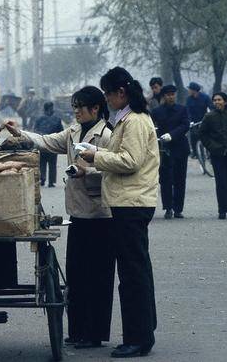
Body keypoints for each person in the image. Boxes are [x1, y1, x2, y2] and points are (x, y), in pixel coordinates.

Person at [5, 86, 114, 349]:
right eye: (74, 107)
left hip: (101, 216)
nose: (75, 111)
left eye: (80, 107)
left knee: (97, 277)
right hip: (78, 214)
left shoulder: (108, 135)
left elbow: (115, 169)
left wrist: (86, 171)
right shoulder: (73, 132)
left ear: (96, 108)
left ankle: (94, 333)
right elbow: (47, 141)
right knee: (76, 276)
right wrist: (20, 133)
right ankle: (77, 331)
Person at [79, 67, 159, 358]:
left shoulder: (135, 121)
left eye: (109, 94)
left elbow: (130, 160)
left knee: (132, 274)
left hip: (131, 203)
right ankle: (144, 330)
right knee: (138, 269)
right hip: (129, 202)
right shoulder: (128, 119)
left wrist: (95, 156)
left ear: (120, 93)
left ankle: (137, 338)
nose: (107, 100)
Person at [198, 92, 227, 219]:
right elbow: (202, 134)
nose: (217, 102)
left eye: (219, 100)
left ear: (225, 101)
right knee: (221, 182)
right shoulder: (209, 116)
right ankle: (222, 209)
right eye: (214, 100)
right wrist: (211, 146)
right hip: (217, 153)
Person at [151, 85, 190, 219]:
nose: (170, 97)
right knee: (166, 180)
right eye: (168, 95)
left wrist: (172, 135)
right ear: (163, 96)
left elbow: (185, 125)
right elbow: (151, 126)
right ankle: (168, 208)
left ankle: (178, 208)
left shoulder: (182, 109)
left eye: (172, 94)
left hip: (180, 148)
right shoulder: (157, 111)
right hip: (164, 149)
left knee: (180, 179)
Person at [33, 102, 64, 187]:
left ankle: (42, 179)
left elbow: (35, 131)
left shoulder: (39, 119)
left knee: (42, 163)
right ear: (51, 108)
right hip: (53, 144)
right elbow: (61, 132)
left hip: (42, 143)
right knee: (52, 164)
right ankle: (51, 182)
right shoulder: (57, 119)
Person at [186, 82, 213, 158]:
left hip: (204, 120)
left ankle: (209, 152)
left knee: (207, 137)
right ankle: (195, 152)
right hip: (193, 122)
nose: (188, 91)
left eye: (189, 89)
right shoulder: (188, 99)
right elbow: (187, 111)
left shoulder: (205, 97)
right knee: (193, 136)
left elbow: (211, 107)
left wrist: (211, 117)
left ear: (194, 90)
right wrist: (190, 121)